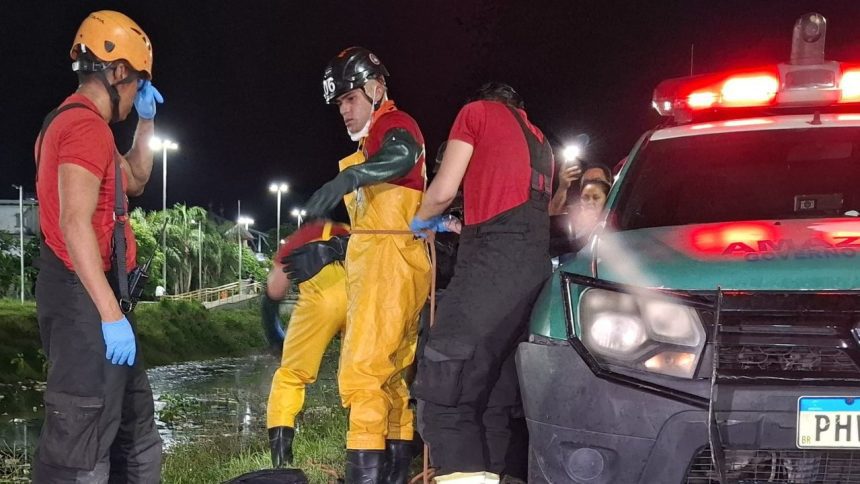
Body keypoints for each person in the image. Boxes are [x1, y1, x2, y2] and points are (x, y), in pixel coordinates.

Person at [33, 10, 164, 482]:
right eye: (137, 84)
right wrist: (111, 316)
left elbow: (137, 180)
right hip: (85, 303)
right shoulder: (84, 128)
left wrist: (146, 123)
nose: (135, 94)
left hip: (101, 300)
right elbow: (74, 222)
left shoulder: (88, 128)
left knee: (135, 434)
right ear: (119, 72)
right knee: (81, 447)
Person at [410, 82, 553, 483]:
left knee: (444, 393)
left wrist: (420, 221)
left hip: (493, 263)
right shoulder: (541, 141)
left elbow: (442, 190)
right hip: (533, 273)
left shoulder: (477, 113)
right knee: (491, 401)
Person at [303, 46, 431, 483]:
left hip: (387, 267)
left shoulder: (392, 125)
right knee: (391, 381)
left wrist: (348, 177)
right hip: (391, 262)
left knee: (362, 376)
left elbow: (404, 152)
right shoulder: (375, 138)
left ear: (376, 89)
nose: (344, 111)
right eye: (339, 104)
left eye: (350, 99)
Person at [265, 220, 349, 468]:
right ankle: (364, 452)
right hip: (360, 297)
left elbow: (275, 288)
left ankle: (282, 461)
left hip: (320, 302)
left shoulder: (296, 240)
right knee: (360, 378)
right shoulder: (349, 229)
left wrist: (274, 335)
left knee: (291, 376)